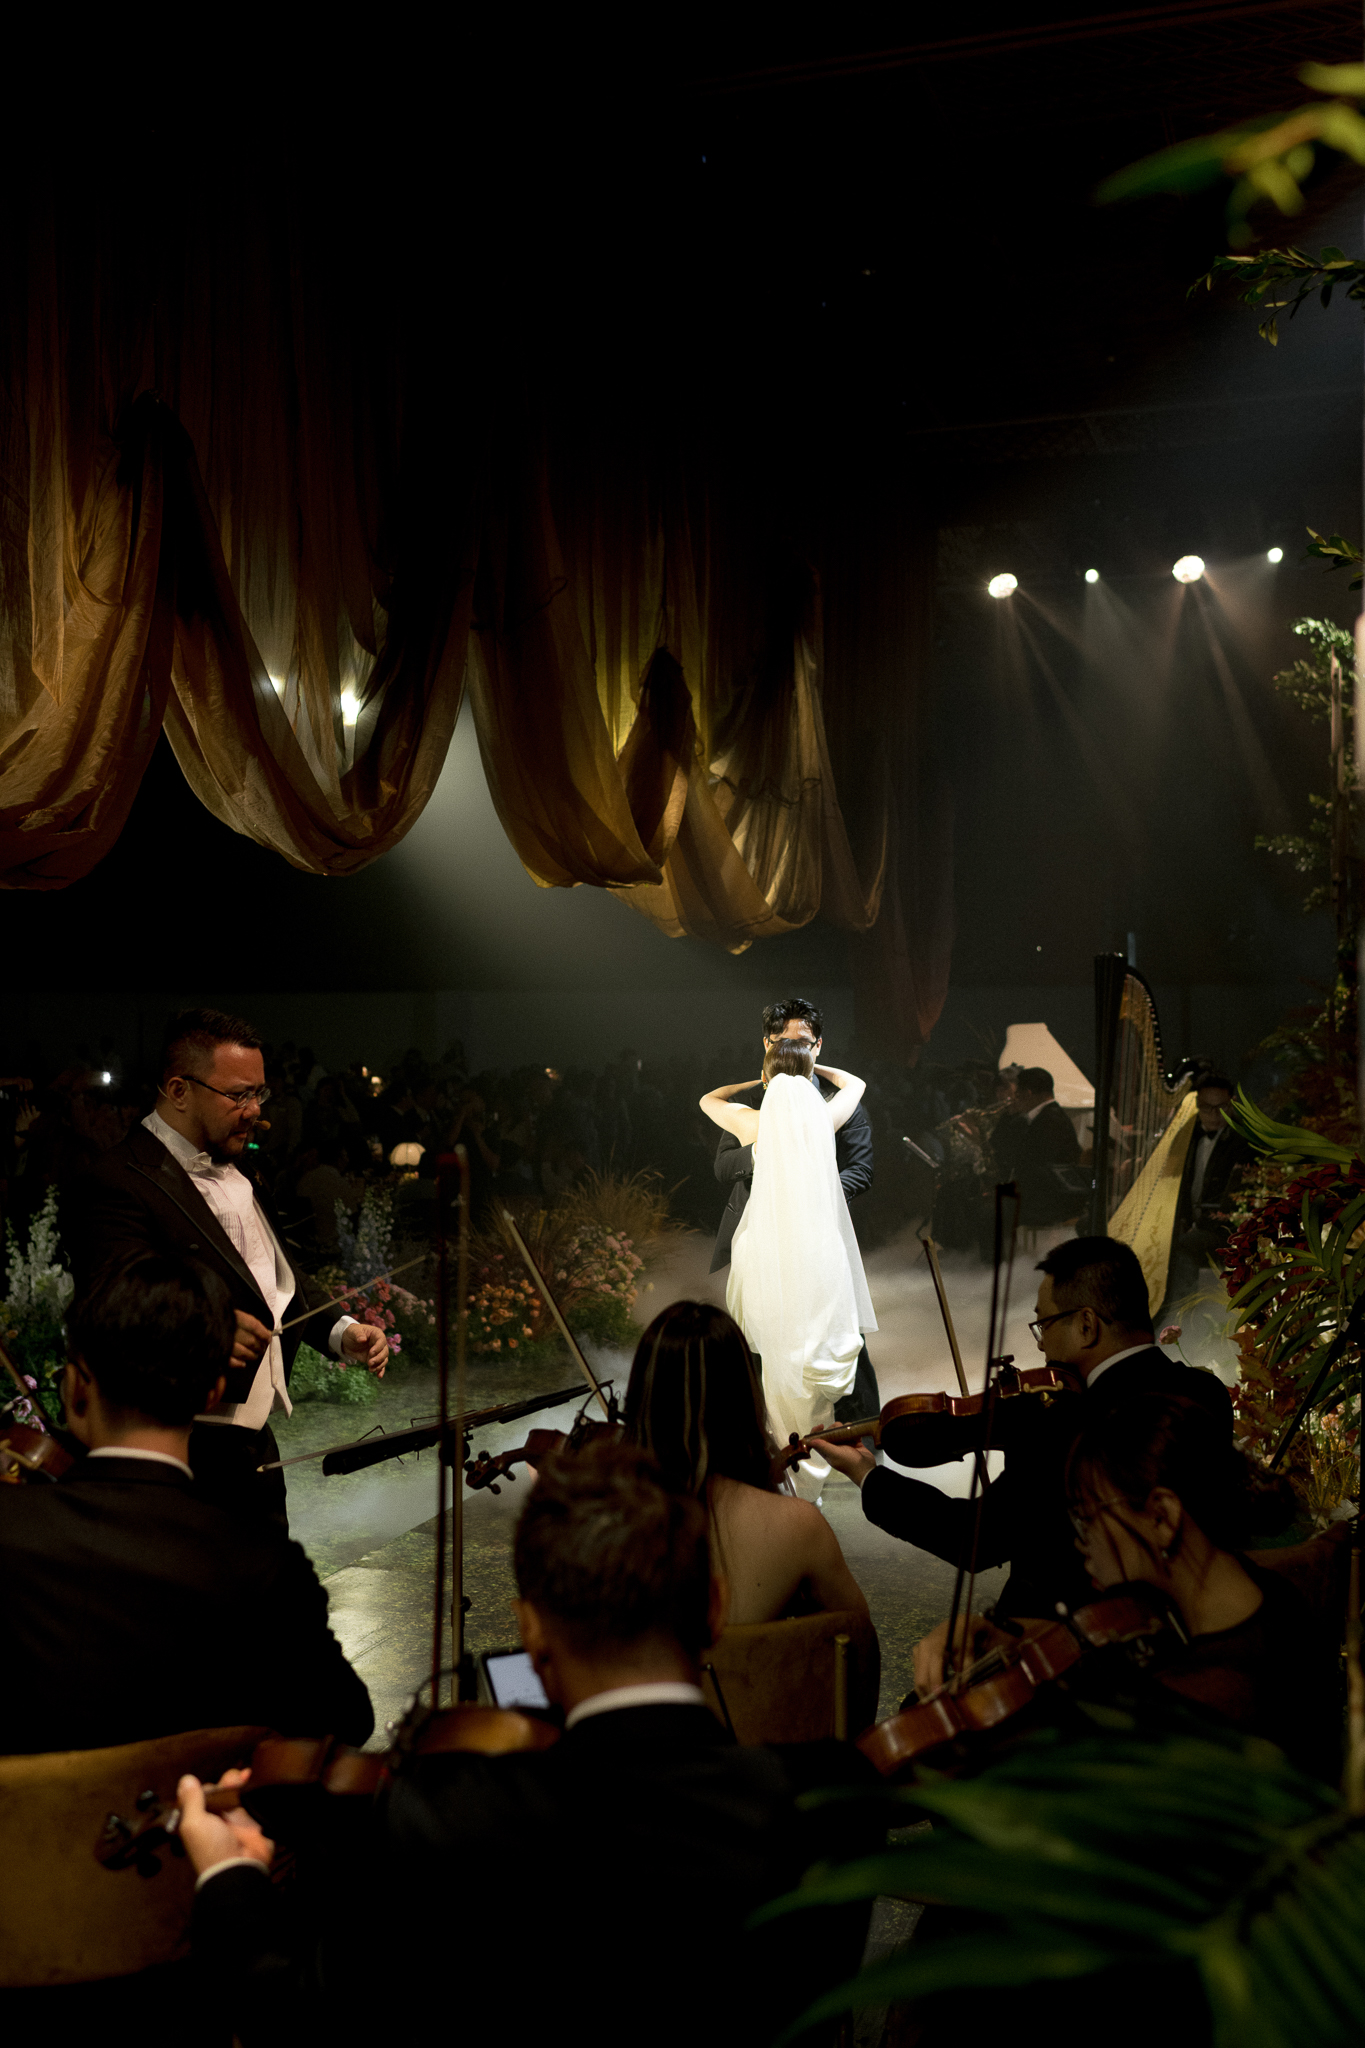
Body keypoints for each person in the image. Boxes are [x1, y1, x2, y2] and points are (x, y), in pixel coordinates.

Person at [180, 1438, 880, 2048]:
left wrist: (229, 1877)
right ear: (714, 1609)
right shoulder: (835, 1802)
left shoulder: (441, 1820)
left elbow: (298, 2020)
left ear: (532, 1630)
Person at [0, 1256, 373, 1754]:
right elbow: (347, 1722)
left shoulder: (10, 1529)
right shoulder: (265, 1567)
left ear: (76, 1387)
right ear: (212, 1393)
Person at [69, 1008, 389, 1521]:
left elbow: (274, 1275)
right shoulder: (117, 1179)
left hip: (254, 1449)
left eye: (259, 1093)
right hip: (180, 1449)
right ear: (179, 1090)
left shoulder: (243, 1168)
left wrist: (340, 1329)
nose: (255, 1111)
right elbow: (115, 1304)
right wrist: (206, 1325)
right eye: (239, 1095)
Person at [814, 1236, 1235, 1622]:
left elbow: (974, 1539)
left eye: (1044, 1325)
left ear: (1087, 1325)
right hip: (1195, 1618)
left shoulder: (1062, 1422)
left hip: (1067, 1635)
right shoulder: (1207, 1394)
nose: (1040, 1344)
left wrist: (866, 1475)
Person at [1065, 1391, 1339, 1780]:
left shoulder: (1205, 1699)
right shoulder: (1269, 1596)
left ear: (1161, 1516)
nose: (1082, 1543)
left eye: (1085, 1518)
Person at [701, 1043, 875, 1502]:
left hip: (764, 1253)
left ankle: (783, 1462)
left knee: (775, 1362)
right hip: (817, 1252)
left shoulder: (752, 1123)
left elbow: (708, 1100)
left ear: (767, 1078)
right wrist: (813, 1067)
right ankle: (812, 1465)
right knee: (812, 1348)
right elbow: (855, 1083)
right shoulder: (823, 1120)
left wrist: (755, 1080)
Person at [624, 1300, 870, 1623]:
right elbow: (859, 1639)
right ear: (745, 1396)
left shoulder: (598, 1523)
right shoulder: (800, 1527)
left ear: (642, 1397)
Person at [1163, 1071, 1254, 1309]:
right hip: (1192, 1222)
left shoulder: (1243, 1142)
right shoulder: (1187, 1136)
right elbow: (1179, 1185)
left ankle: (1179, 1311)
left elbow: (1234, 1200)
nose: (1213, 1115)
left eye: (1220, 1107)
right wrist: (1181, 1218)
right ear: (1197, 1104)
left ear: (1232, 1103)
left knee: (1182, 1246)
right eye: (1206, 1107)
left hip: (1222, 1228)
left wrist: (1198, 1224)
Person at [991, 1065, 1082, 1228]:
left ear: (1028, 1094)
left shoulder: (1050, 1120)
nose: (1016, 1099)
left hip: (1050, 1199)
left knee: (989, 1213)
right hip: (1045, 1193)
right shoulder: (1048, 1116)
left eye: (1018, 1095)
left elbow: (1035, 1164)